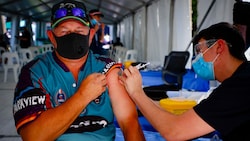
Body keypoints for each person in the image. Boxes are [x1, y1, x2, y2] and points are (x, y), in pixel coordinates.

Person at [13, 0, 145, 141]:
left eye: (79, 30)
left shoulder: (107, 68)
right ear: (52, 37)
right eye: (64, 31)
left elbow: (129, 122)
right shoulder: (35, 72)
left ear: (90, 35)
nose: (73, 36)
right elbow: (32, 136)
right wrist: (83, 95)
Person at [120, 22, 250, 141]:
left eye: (200, 50)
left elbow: (174, 131)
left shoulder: (240, 86)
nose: (196, 59)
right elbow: (182, 120)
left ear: (219, 47)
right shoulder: (240, 80)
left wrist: (136, 92)